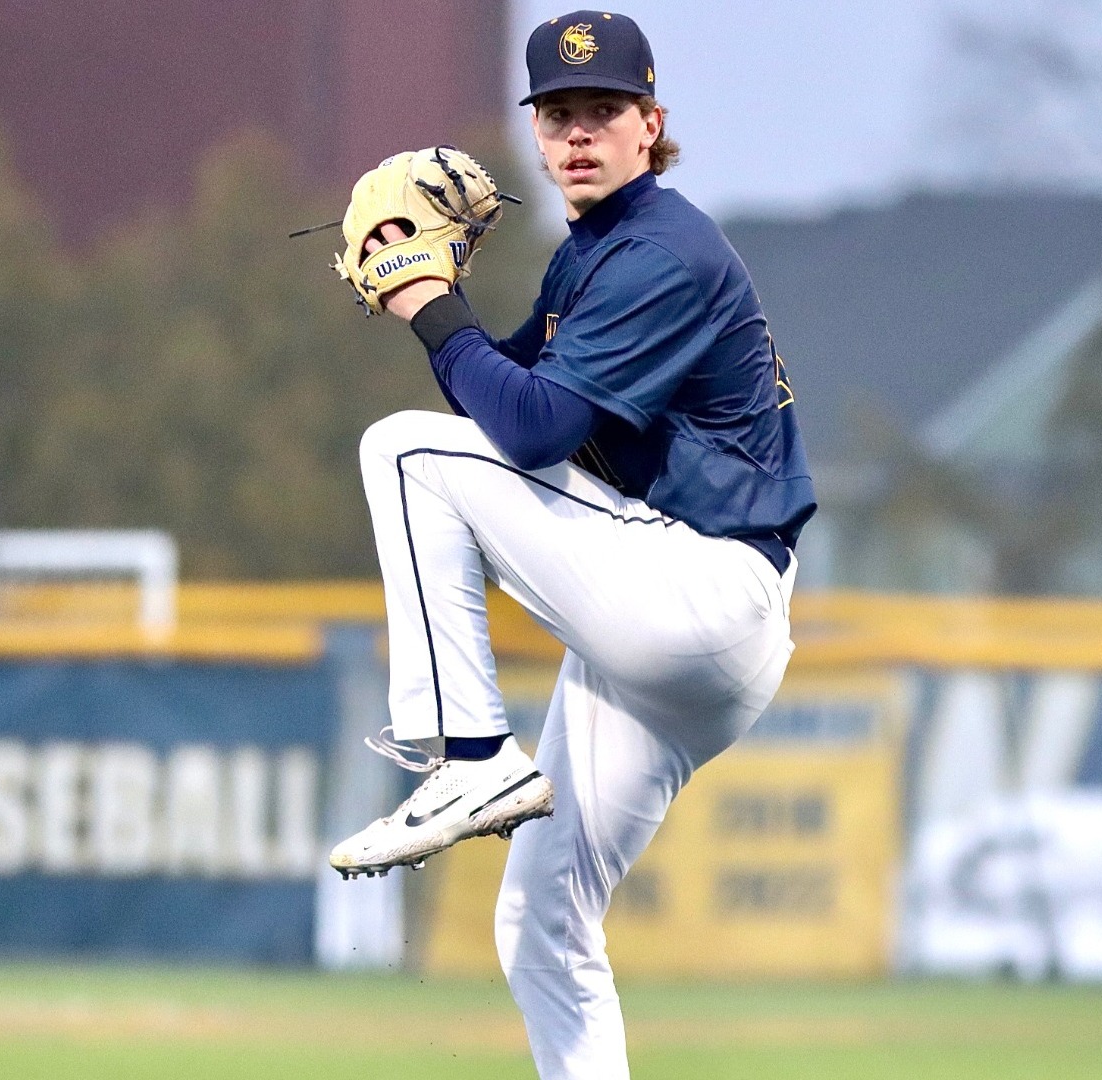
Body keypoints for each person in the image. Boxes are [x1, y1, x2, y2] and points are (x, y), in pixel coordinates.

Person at [328, 10, 815, 1077]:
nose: (579, 134)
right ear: (539, 135)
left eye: (604, 111)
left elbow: (532, 431)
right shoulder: (592, 254)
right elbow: (499, 405)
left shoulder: (662, 251)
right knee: (539, 927)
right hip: (683, 634)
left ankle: (467, 758)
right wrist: (433, 301)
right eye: (559, 114)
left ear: (652, 124)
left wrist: (424, 294)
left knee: (404, 453)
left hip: (698, 588)